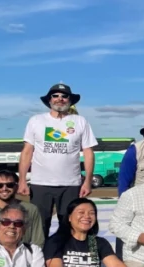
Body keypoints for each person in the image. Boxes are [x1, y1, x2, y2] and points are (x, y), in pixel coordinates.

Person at [18, 83, 97, 237]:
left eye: (64, 96)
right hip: (40, 183)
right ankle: (40, 253)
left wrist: (87, 181)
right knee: (39, 227)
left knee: (69, 226)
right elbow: (27, 151)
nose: (60, 99)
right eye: (55, 96)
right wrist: (22, 180)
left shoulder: (80, 121)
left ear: (70, 100)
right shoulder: (36, 120)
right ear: (49, 100)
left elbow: (88, 152)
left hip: (70, 184)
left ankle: (65, 252)